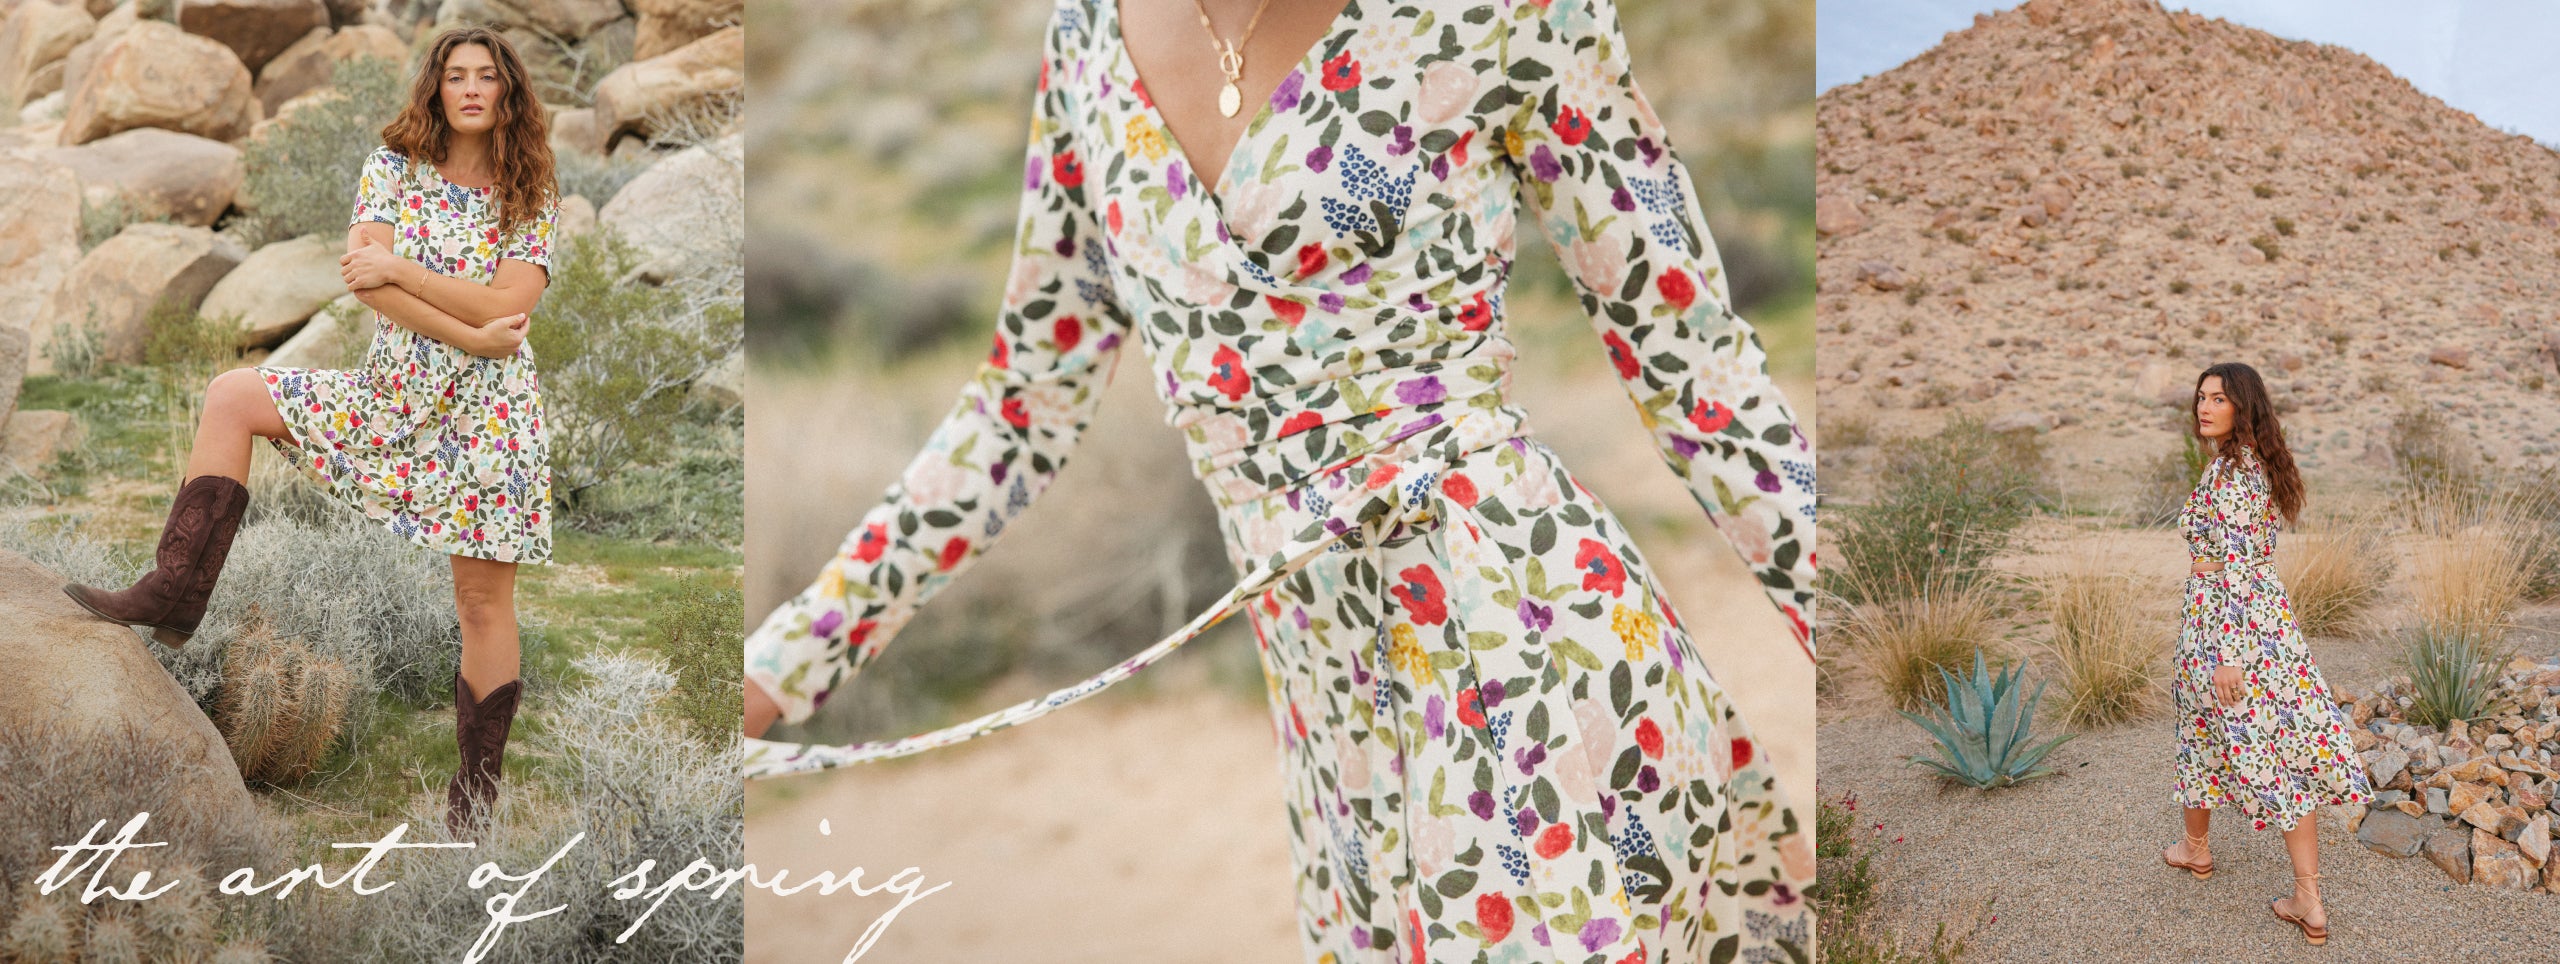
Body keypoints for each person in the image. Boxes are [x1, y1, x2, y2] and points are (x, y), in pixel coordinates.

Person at [743, 0, 1817, 959]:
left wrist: (1851, 624)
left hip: (1535, 653)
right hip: (1331, 741)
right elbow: (1020, 406)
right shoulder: (1085, 39)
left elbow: (1691, 357)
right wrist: (786, 661)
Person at [63, 25, 563, 838]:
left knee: (480, 601)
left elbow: (509, 306)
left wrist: (410, 273)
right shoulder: (391, 169)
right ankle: (172, 592)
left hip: (490, 418)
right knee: (233, 395)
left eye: (488, 77)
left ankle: (474, 801)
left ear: (509, 91)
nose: (472, 89)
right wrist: (465, 328)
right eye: (456, 76)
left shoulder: (531, 190)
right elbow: (371, 285)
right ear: (434, 87)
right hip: (390, 392)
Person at [2159, 362, 2370, 946]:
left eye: (2219, 399)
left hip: (2230, 629)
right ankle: (2198, 850)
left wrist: (2228, 654)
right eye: (2201, 398)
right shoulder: (2245, 463)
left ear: (2243, 406)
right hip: (2249, 624)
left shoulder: (2233, 475)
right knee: (2213, 735)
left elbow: (2234, 570)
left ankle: (2305, 895)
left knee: (2263, 754)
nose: (2204, 408)